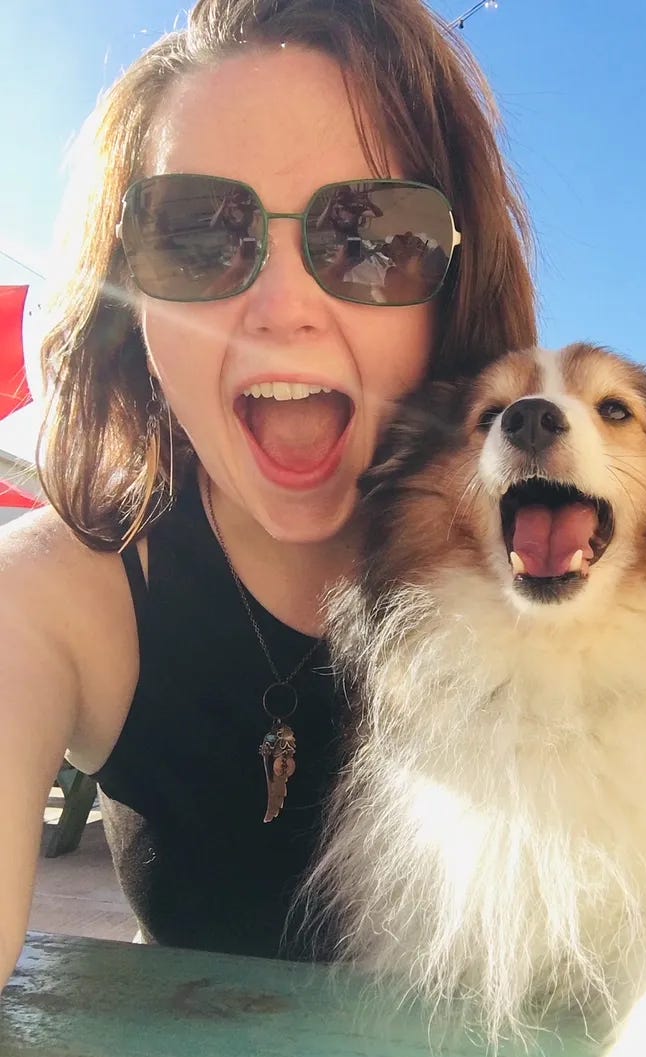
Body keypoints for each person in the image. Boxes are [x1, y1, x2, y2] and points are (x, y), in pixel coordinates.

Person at [0, 0, 536, 987]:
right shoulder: (58, 596)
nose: (283, 307)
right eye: (197, 235)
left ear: (450, 291)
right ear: (133, 302)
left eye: (374, 235)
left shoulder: (554, 574)